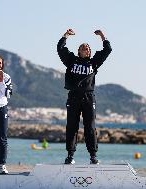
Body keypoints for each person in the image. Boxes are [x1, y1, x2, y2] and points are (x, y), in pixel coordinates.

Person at [57, 29, 112, 164]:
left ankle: (93, 156)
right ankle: (70, 155)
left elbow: (108, 50)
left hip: (88, 97)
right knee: (72, 126)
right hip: (74, 96)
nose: (85, 49)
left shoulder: (93, 63)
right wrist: (66, 35)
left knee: (90, 127)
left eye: (88, 48)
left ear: (90, 52)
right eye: (83, 47)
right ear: (78, 51)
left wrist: (102, 36)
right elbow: (60, 48)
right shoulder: (71, 61)